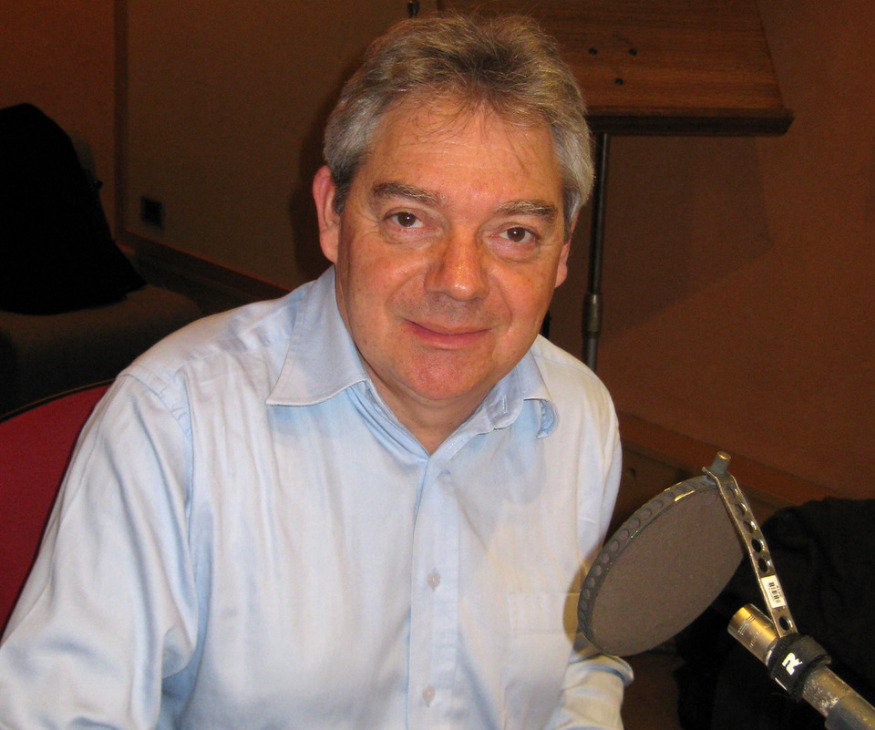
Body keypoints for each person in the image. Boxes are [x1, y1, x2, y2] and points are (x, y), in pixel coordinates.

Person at [0, 12, 632, 729]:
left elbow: (584, 660)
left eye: (514, 233)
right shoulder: (174, 426)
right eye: (408, 219)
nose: (460, 281)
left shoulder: (580, 415)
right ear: (332, 215)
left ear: (561, 251)